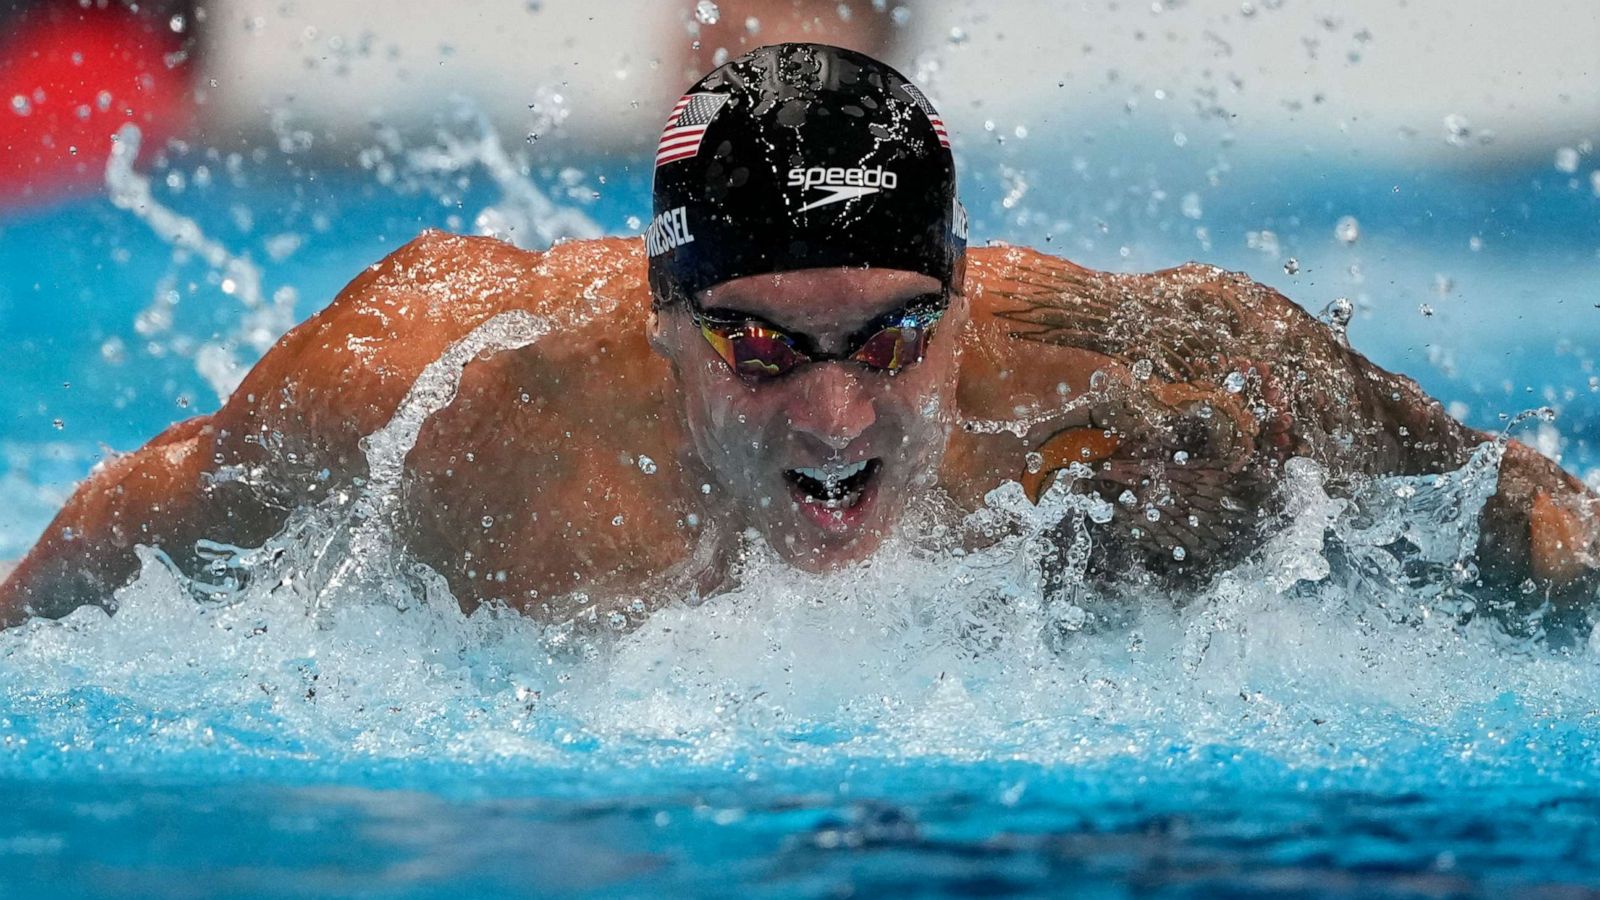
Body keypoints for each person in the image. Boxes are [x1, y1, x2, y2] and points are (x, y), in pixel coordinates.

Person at [1, 43, 1595, 628]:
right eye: (764, 349)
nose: (839, 418)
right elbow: (125, 535)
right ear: (662, 313)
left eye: (895, 338)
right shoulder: (443, 399)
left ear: (966, 302)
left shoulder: (1156, 386)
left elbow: (1514, 514)